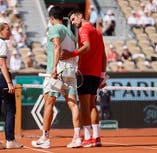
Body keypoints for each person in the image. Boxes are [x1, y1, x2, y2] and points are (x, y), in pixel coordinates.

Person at [31, 6, 81, 149]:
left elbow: (57, 46)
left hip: (58, 71)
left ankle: (45, 138)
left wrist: (54, 68)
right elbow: (74, 52)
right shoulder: (71, 33)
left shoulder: (54, 29)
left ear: (51, 18)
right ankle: (77, 137)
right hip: (70, 71)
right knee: (73, 104)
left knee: (49, 103)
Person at [61, 8, 107, 148]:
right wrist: (102, 76)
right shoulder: (98, 32)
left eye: (74, 19)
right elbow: (104, 56)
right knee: (92, 105)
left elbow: (86, 47)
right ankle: (96, 137)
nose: (73, 23)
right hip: (95, 74)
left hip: (86, 73)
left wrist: (71, 54)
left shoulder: (84, 30)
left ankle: (87, 138)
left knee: (85, 106)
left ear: (80, 16)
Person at [0, 22, 23, 150]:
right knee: (11, 109)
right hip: (0, 75)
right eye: (7, 29)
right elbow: (1, 63)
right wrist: (9, 82)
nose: (10, 32)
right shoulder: (1, 43)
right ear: (0, 31)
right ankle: (10, 140)